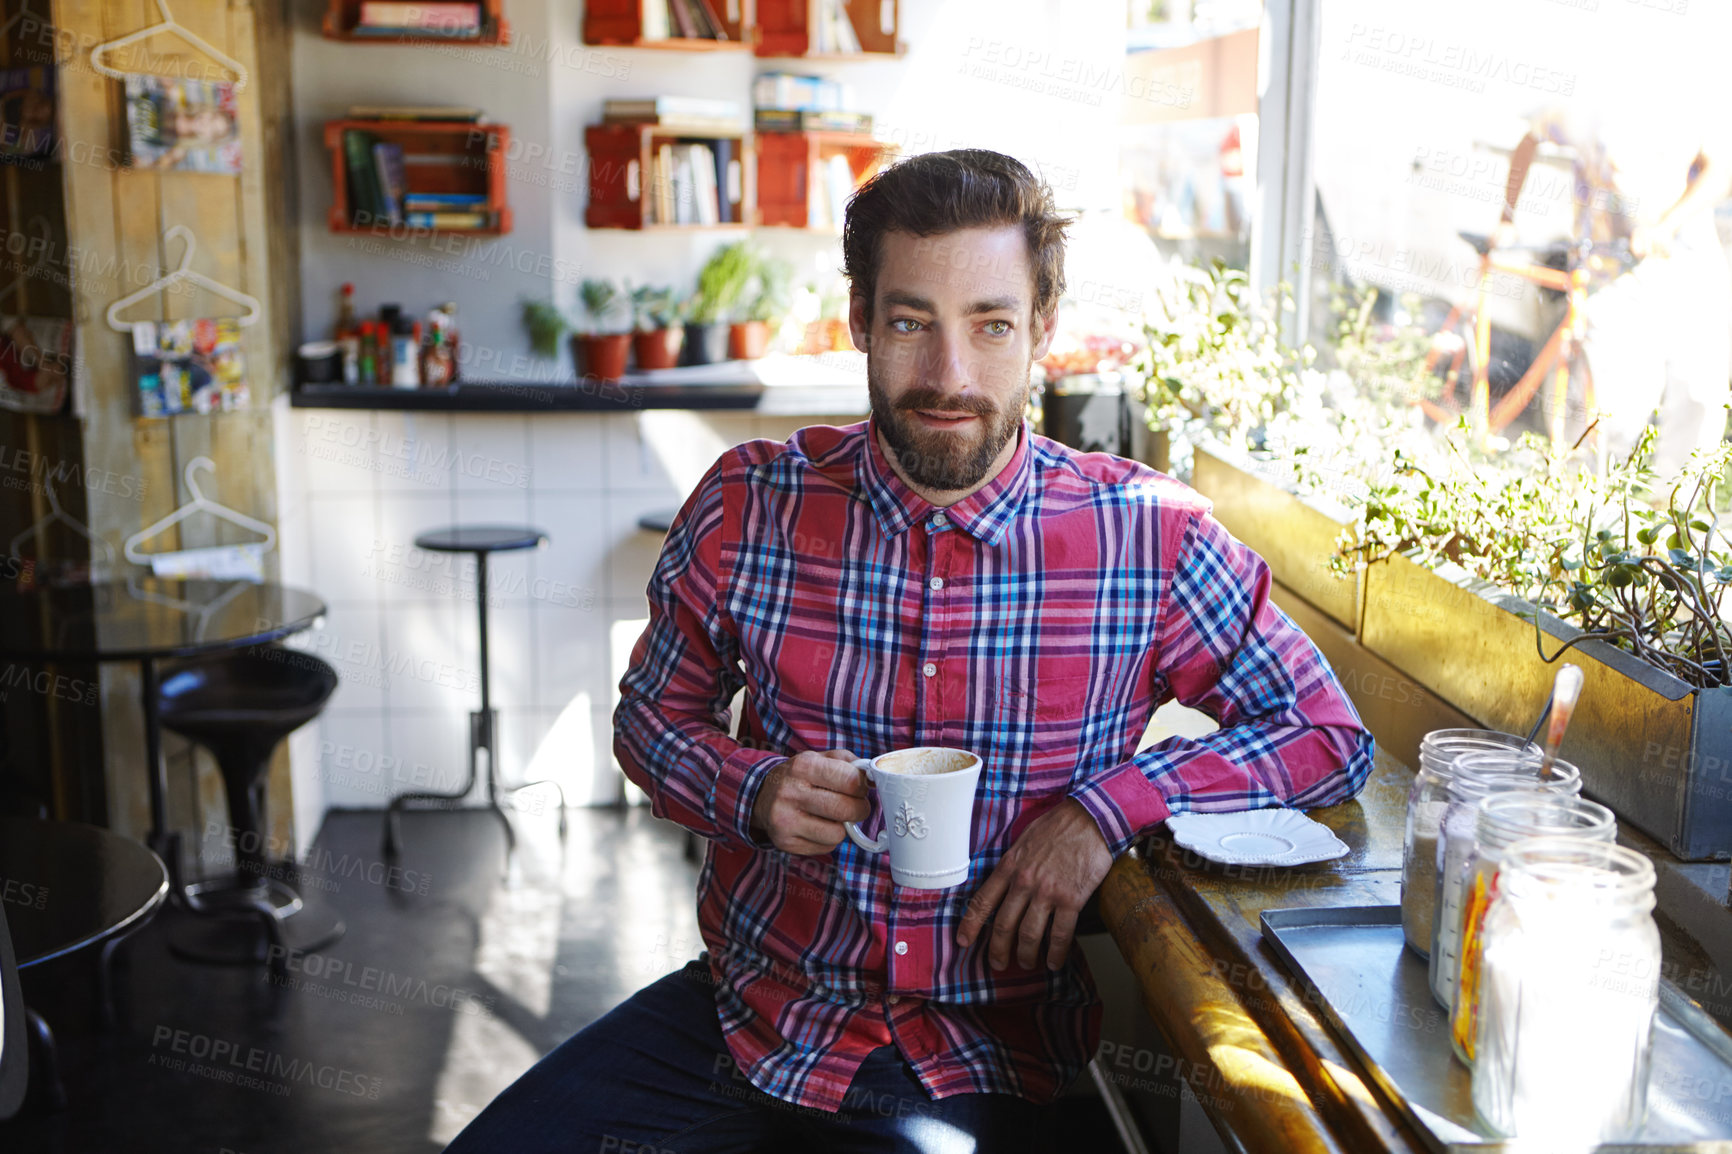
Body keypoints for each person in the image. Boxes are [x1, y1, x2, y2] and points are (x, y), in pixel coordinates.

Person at [443, 149, 1374, 1153]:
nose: (948, 376)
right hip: (747, 1017)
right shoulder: (748, 502)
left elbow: (1324, 732)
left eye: (990, 325)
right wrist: (750, 788)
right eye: (909, 322)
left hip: (985, 1055)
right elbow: (648, 723)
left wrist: (1101, 812)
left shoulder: (1147, 537)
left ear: (1042, 333)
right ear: (858, 320)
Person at [1494, 99, 1732, 474]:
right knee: (1610, 412)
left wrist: (1664, 227)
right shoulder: (1585, 105)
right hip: (1611, 274)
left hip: (1688, 266)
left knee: (1700, 392)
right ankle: (1580, 508)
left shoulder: (1689, 100)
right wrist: (1506, 217)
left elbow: (1721, 171)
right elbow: (1530, 140)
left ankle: (1675, 511)